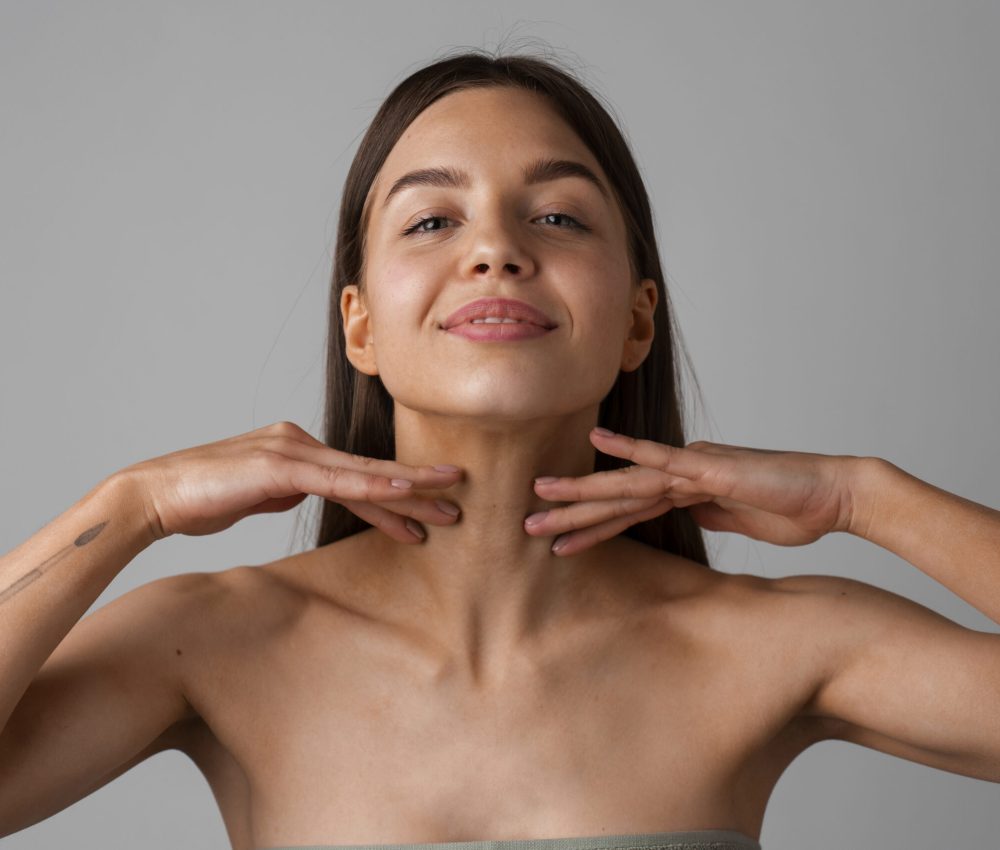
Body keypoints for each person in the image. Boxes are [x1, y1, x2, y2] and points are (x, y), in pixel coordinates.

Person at [1, 50, 997, 850]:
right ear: (360, 328)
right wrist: (131, 507)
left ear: (636, 323)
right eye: (433, 219)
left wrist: (860, 497)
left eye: (557, 216)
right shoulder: (216, 641)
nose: (495, 250)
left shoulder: (770, 648)